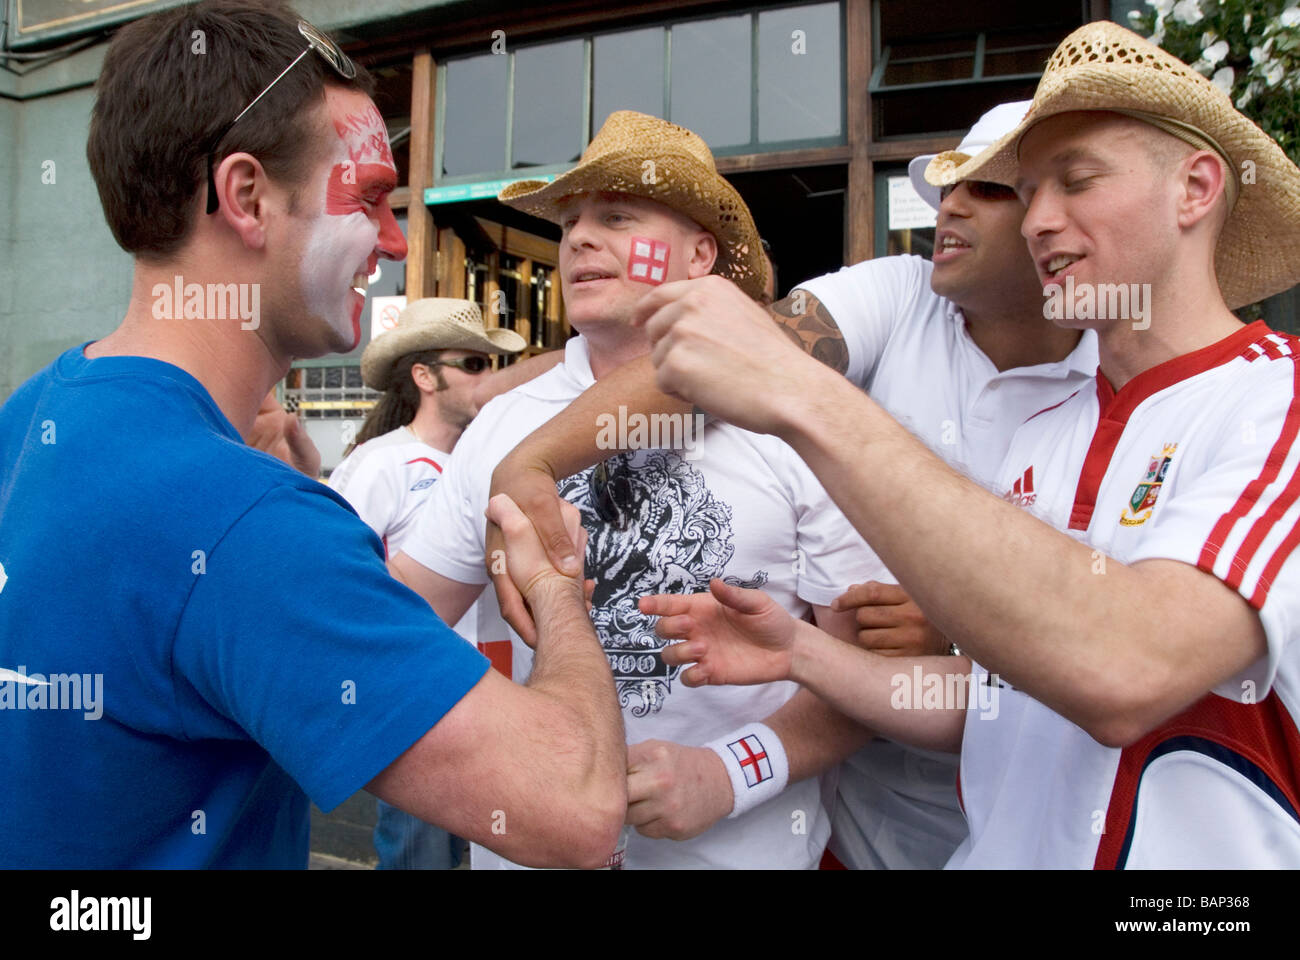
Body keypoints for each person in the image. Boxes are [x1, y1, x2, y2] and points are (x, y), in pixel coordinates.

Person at [635, 21, 1300, 867]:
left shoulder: (1276, 400)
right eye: (1029, 190)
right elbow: (1005, 703)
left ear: (1197, 188)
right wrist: (802, 652)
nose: (1039, 223)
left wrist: (804, 393)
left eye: (1076, 181)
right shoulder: (1046, 433)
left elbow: (1127, 667)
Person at [0, 0, 624, 869]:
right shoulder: (245, 521)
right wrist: (557, 586)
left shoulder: (31, 417)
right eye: (369, 199)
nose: (397, 243)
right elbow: (579, 807)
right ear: (247, 197)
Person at [484, 102, 1099, 868]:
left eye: (994, 187)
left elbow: (1111, 650)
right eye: (946, 185)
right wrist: (525, 461)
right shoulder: (901, 293)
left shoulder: (1123, 389)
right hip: (870, 826)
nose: (950, 203)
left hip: (1055, 828)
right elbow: (731, 356)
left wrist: (953, 627)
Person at [388, 110, 877, 869]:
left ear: (699, 255)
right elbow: (400, 628)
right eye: (571, 221)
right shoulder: (500, 428)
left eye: (616, 217)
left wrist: (732, 772)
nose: (579, 238)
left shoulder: (795, 418)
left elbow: (866, 683)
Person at [329, 297, 524, 870]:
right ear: (424, 376)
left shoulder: (503, 461)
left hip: (504, 703)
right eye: (472, 363)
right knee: (421, 861)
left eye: (493, 364)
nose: (489, 377)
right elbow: (343, 587)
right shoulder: (377, 464)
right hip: (420, 709)